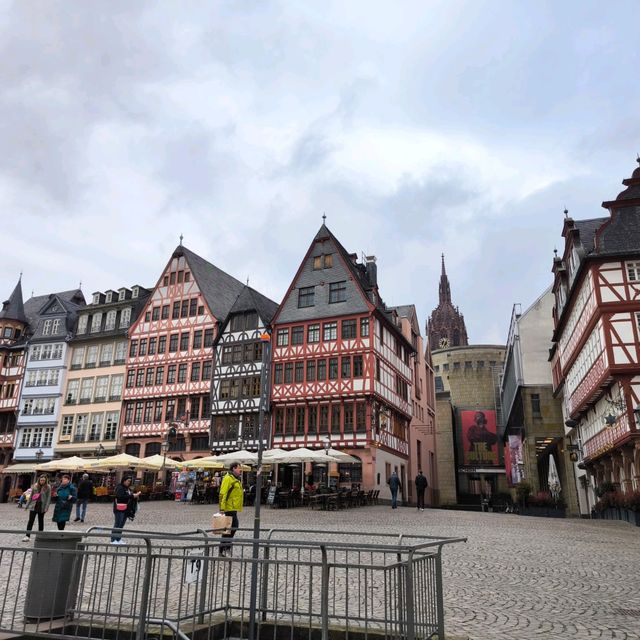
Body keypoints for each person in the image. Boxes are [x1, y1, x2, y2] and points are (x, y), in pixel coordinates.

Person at [218, 462, 244, 556]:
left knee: (231, 528)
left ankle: (224, 548)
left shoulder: (236, 479)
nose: (240, 470)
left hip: (234, 507)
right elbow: (222, 493)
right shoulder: (228, 478)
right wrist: (221, 507)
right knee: (231, 527)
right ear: (233, 468)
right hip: (229, 507)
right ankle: (224, 548)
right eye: (238, 468)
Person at [111, 476, 140, 545]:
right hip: (119, 509)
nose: (129, 482)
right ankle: (113, 539)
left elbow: (128, 496)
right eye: (128, 481)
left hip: (125, 509)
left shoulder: (127, 488)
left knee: (121, 525)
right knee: (117, 524)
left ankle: (118, 539)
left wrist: (134, 495)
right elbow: (121, 497)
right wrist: (132, 496)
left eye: (130, 481)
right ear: (124, 480)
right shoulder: (120, 487)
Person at [22, 475, 52, 541]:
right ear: (39, 480)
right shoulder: (35, 486)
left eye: (43, 480)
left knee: (40, 521)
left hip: (42, 506)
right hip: (34, 505)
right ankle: (27, 535)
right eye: (41, 480)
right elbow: (31, 496)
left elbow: (48, 498)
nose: (42, 481)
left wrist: (46, 507)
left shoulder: (48, 487)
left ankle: (40, 535)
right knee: (30, 521)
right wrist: (27, 506)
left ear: (45, 480)